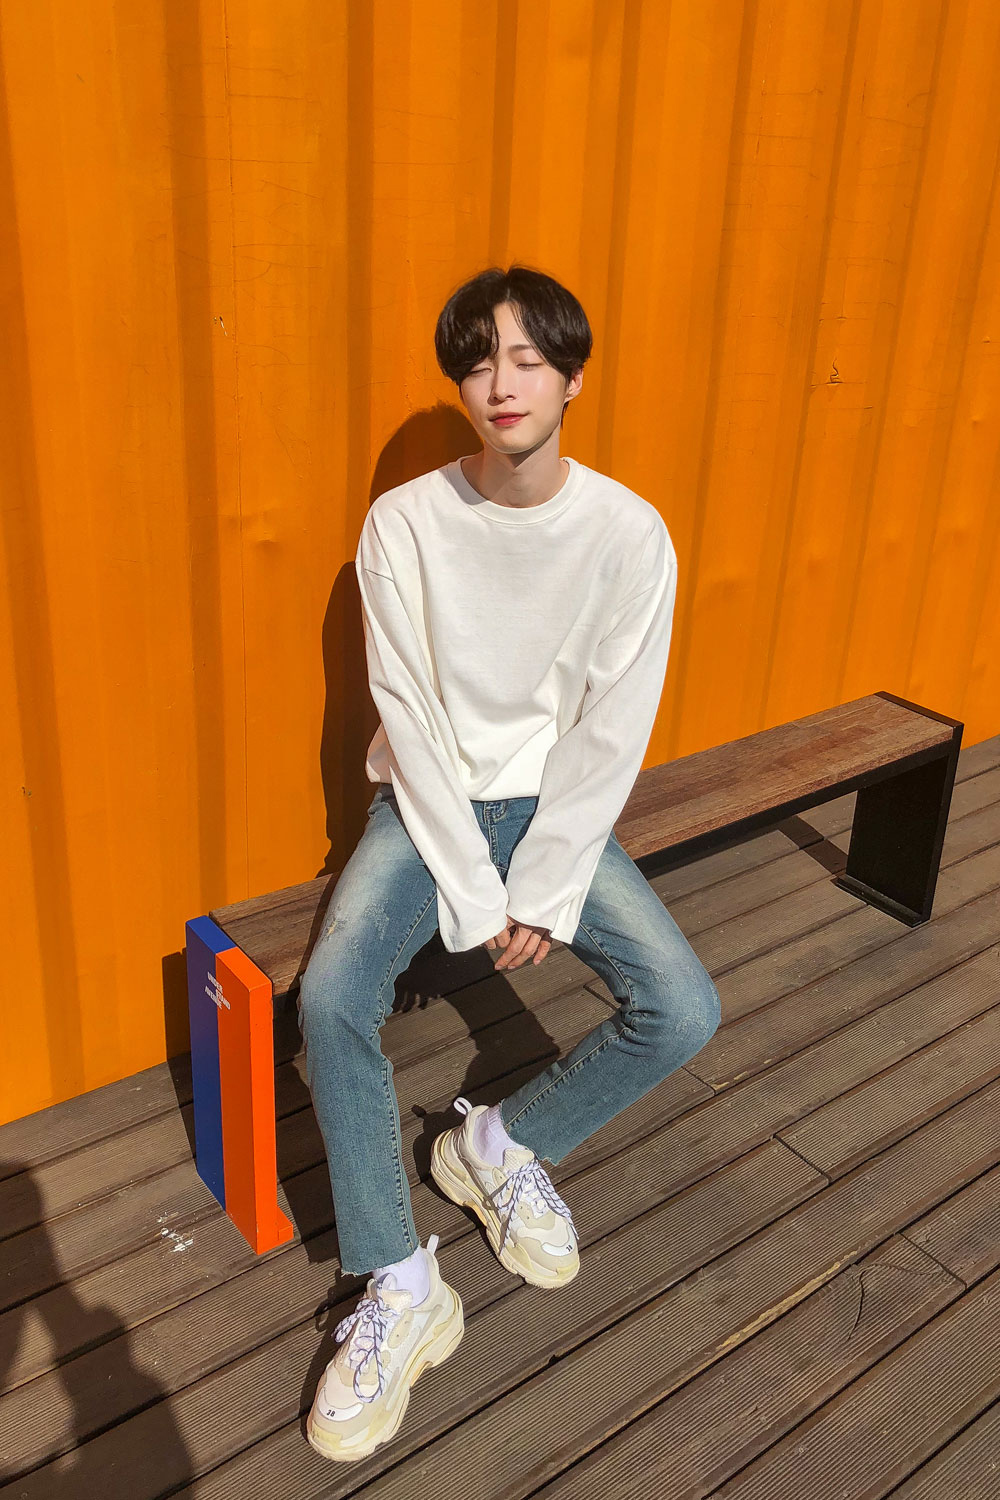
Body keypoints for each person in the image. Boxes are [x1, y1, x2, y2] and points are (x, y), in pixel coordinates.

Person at [301, 263, 721, 1463]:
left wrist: (544, 879)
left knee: (683, 1006)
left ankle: (496, 1144)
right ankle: (398, 1283)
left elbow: (610, 727)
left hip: (552, 807)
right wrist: (481, 892)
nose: (502, 382)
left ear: (571, 377)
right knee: (331, 998)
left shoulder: (627, 532)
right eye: (479, 360)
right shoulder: (405, 523)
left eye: (529, 358)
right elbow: (408, 711)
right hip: (427, 804)